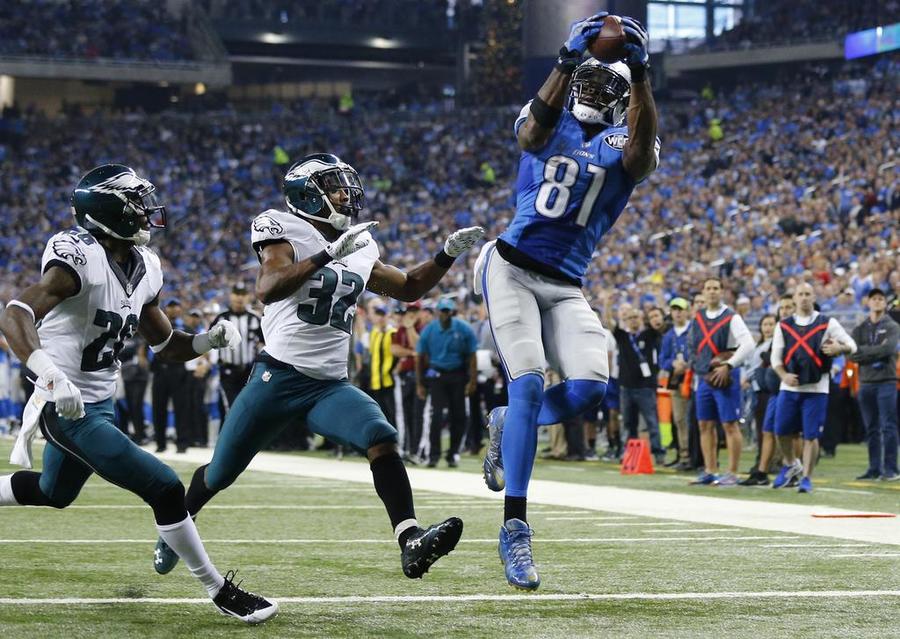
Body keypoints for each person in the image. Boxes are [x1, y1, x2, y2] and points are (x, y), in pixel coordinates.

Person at [152, 153, 484, 580]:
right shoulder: (281, 227)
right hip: (278, 377)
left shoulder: (362, 243)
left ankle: (410, 538)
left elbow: (409, 288)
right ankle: (174, 529)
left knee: (380, 436)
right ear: (307, 195)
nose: (346, 194)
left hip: (328, 385)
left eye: (346, 186)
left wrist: (444, 254)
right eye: (334, 186)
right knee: (219, 473)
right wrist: (326, 254)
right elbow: (268, 288)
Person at [0, 164, 277, 623]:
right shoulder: (79, 257)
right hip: (65, 403)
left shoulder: (144, 265)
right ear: (109, 211)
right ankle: (218, 590)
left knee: (54, 492)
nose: (147, 212)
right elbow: (16, 313)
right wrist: (48, 373)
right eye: (136, 204)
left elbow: (166, 345)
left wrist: (206, 341)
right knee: (166, 487)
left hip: (99, 400)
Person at [476, 11, 659, 590]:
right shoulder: (547, 117)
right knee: (528, 381)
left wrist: (643, 76)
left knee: (588, 388)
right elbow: (528, 134)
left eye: (613, 83)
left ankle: (508, 423)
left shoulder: (627, 138)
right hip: (511, 268)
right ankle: (515, 530)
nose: (595, 86)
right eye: (588, 76)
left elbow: (641, 159)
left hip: (566, 283)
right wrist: (562, 60)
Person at [771, 283, 857, 492]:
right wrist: (783, 375)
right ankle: (791, 464)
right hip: (790, 388)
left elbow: (852, 346)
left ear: (814, 297)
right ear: (795, 298)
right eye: (800, 294)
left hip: (817, 389)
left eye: (808, 294)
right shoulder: (783, 325)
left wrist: (840, 347)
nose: (804, 298)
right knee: (780, 431)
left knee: (811, 436)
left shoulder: (827, 322)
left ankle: (807, 478)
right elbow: (776, 358)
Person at [687, 277, 755, 486]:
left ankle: (732, 473)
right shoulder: (698, 317)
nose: (712, 292)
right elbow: (692, 346)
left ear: (722, 292)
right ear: (703, 292)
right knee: (704, 424)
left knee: (729, 425)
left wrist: (730, 365)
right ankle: (710, 470)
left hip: (726, 377)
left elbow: (749, 344)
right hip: (704, 377)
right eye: (708, 288)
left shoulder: (731, 317)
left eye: (716, 288)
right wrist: (697, 367)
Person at [416, 297, 478, 468]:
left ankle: (453, 453)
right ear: (438, 312)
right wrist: (419, 384)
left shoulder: (464, 329)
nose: (445, 314)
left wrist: (472, 381)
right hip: (437, 376)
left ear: (452, 312)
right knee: (436, 415)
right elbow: (420, 357)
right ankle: (434, 454)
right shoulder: (429, 330)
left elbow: (472, 355)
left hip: (458, 375)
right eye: (442, 311)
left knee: (458, 416)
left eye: (447, 311)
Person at [849, 288, 899, 481]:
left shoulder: (893, 326)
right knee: (871, 428)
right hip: (866, 382)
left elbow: (888, 349)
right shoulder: (860, 329)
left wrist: (863, 353)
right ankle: (874, 468)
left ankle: (891, 469)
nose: (877, 302)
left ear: (885, 304)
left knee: (888, 426)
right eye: (874, 299)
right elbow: (852, 353)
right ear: (868, 303)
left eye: (881, 299)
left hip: (886, 381)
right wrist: (872, 352)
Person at [609, 306, 666, 464]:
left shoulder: (649, 335)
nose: (633, 320)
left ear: (642, 319)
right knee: (628, 423)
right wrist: (607, 304)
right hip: (626, 387)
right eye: (630, 318)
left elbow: (660, 325)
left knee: (651, 422)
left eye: (636, 317)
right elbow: (608, 322)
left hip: (646, 387)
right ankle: (627, 453)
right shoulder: (623, 336)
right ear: (625, 321)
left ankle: (658, 453)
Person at [739, 312, 779, 486]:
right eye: (765, 324)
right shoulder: (759, 345)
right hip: (756, 389)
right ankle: (760, 463)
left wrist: (749, 376)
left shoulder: (775, 344)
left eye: (771, 324)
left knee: (766, 429)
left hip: (766, 389)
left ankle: (766, 464)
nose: (768, 328)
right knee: (761, 428)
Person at [213, 283, 263, 416]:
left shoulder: (255, 318)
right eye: (236, 294)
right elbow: (210, 343)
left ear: (248, 297)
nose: (239, 298)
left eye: (243, 294)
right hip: (227, 371)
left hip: (249, 371)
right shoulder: (221, 318)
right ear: (231, 296)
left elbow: (264, 343)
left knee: (248, 408)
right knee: (230, 409)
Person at [151, 298, 191, 452]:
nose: (173, 309)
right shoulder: (156, 326)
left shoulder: (186, 327)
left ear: (180, 309)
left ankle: (182, 443)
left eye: (176, 306)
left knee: (181, 408)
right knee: (158, 408)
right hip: (160, 370)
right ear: (165, 309)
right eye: (170, 306)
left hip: (179, 370)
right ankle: (160, 443)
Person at [658, 297, 692, 469]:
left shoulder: (694, 330)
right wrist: (673, 364)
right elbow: (661, 359)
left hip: (694, 380)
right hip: (677, 382)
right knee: (679, 419)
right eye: (674, 309)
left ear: (687, 311)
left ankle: (697, 457)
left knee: (698, 420)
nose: (677, 312)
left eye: (680, 309)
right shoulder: (668, 336)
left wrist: (687, 364)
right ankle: (684, 455)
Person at [394, 301, 424, 462]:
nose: (411, 314)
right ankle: (406, 449)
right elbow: (395, 350)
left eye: (415, 310)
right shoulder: (401, 329)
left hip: (420, 376)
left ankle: (417, 451)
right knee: (405, 414)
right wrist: (412, 353)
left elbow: (418, 345)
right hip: (405, 376)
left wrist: (410, 328)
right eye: (410, 311)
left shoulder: (423, 327)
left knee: (418, 415)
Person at [369, 304, 398, 425]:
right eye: (378, 315)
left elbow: (396, 355)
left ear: (388, 316)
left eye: (383, 315)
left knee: (393, 414)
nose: (380, 318)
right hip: (376, 381)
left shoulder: (393, 333)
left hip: (389, 380)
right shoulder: (374, 333)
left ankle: (397, 441)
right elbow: (373, 355)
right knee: (381, 415)